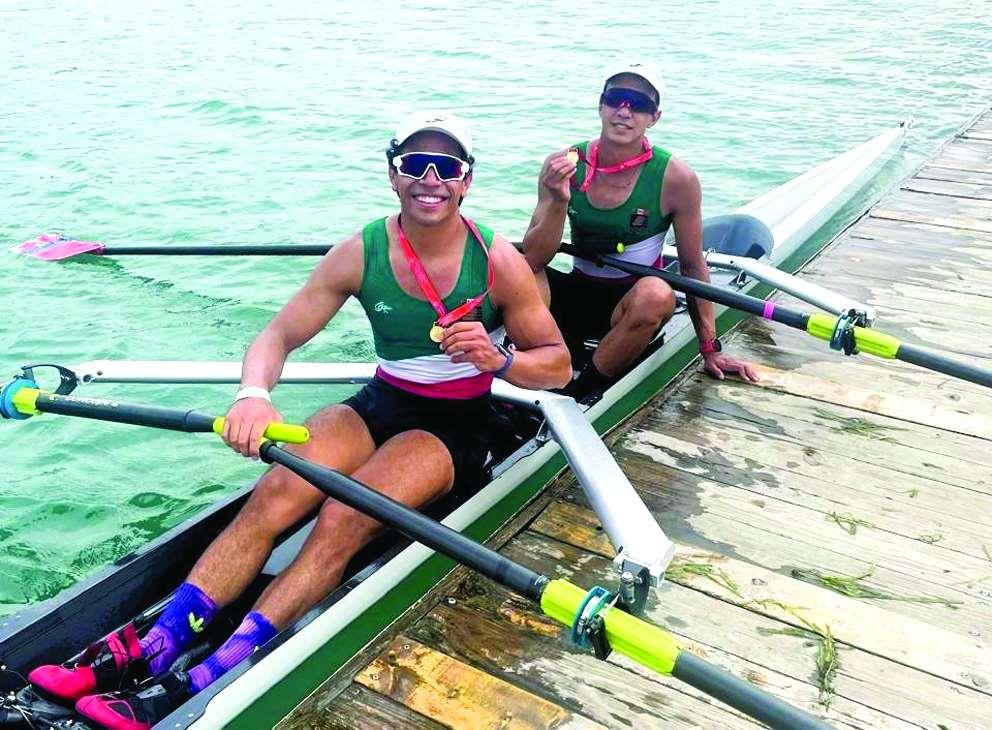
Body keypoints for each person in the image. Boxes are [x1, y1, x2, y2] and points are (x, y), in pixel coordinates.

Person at [28, 112, 571, 730]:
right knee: (276, 492)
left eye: (446, 167)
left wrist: (500, 359)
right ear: (393, 175)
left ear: (465, 181)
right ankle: (157, 642)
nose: (430, 178)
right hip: (383, 399)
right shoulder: (361, 251)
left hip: (458, 421)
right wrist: (253, 396)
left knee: (343, 514)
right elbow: (278, 335)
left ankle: (213, 671)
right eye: (414, 164)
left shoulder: (496, 259)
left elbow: (556, 365)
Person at [523, 61, 758, 399]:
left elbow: (693, 267)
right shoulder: (563, 164)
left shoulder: (677, 178)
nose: (624, 111)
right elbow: (535, 257)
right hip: (576, 289)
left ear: (654, 117)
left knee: (657, 294)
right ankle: (532, 361)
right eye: (616, 99)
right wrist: (558, 201)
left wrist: (710, 349)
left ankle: (582, 392)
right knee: (515, 267)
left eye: (639, 104)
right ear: (601, 106)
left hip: (629, 302)